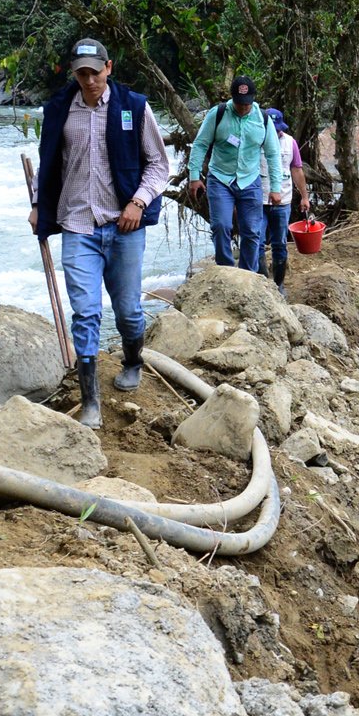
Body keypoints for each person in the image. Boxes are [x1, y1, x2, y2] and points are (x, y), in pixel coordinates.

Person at [29, 38, 170, 429]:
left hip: (124, 226)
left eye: (95, 71)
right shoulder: (59, 110)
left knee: (128, 312)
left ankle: (132, 360)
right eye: (81, 72)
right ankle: (91, 401)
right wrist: (40, 204)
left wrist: (138, 203)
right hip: (78, 225)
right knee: (86, 312)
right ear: (73, 72)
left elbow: (159, 165)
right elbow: (48, 163)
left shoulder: (134, 107)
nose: (89, 79)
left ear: (109, 68)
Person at [185, 75, 285, 273]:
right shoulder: (219, 114)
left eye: (247, 104)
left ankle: (247, 273)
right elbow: (200, 144)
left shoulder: (262, 119)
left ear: (253, 99)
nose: (243, 108)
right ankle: (226, 270)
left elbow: (273, 154)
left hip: (250, 181)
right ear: (232, 98)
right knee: (221, 225)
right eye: (239, 104)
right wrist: (194, 176)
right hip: (220, 178)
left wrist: (276, 188)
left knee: (252, 231)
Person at [260, 108, 311, 292]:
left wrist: (304, 196)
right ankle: (263, 284)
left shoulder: (290, 143)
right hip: (258, 201)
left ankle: (278, 284)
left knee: (279, 243)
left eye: (277, 129)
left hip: (282, 201)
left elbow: (296, 170)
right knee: (256, 242)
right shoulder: (255, 139)